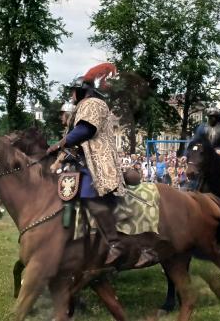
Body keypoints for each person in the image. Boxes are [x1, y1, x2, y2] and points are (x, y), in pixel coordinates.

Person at [47, 64, 156, 267]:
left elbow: (85, 130)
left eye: (73, 90)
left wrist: (60, 144)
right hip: (86, 162)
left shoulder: (93, 104)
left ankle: (115, 243)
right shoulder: (84, 106)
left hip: (99, 162)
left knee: (91, 199)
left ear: (82, 90)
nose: (71, 94)